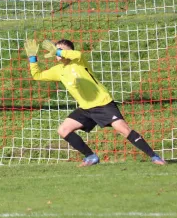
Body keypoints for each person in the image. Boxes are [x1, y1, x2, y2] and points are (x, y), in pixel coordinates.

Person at [23, 38, 166, 167]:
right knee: (63, 130)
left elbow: (77, 54)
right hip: (86, 109)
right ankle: (91, 157)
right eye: (56, 50)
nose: (57, 53)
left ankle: (154, 156)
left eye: (61, 50)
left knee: (124, 130)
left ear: (68, 51)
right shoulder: (58, 70)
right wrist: (32, 58)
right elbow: (37, 75)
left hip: (103, 103)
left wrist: (58, 51)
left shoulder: (78, 61)